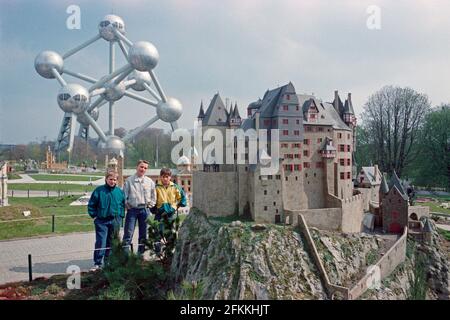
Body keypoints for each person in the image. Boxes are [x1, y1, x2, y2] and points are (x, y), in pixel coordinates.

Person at [87, 170, 125, 271]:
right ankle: (98, 263)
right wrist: (94, 216)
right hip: (101, 221)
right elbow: (91, 204)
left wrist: (120, 216)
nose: (112, 181)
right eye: (110, 179)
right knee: (101, 242)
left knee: (112, 242)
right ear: (106, 179)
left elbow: (122, 205)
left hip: (115, 220)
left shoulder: (119, 192)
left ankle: (109, 262)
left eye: (114, 179)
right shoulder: (99, 191)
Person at [122, 160, 156, 255]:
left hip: (145, 210)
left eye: (145, 168)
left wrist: (151, 204)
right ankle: (125, 255)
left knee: (143, 234)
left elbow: (154, 195)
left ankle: (140, 254)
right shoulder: (129, 180)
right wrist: (127, 204)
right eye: (141, 167)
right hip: (132, 210)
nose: (143, 169)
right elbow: (124, 195)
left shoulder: (149, 182)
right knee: (128, 233)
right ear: (137, 167)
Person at [153, 168, 186, 255]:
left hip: (171, 214)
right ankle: (158, 253)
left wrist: (175, 207)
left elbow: (182, 198)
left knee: (170, 233)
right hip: (160, 214)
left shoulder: (175, 187)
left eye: (167, 177)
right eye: (163, 177)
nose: (165, 179)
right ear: (160, 177)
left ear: (170, 177)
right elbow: (152, 200)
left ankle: (169, 252)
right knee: (158, 233)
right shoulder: (156, 187)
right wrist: (155, 209)